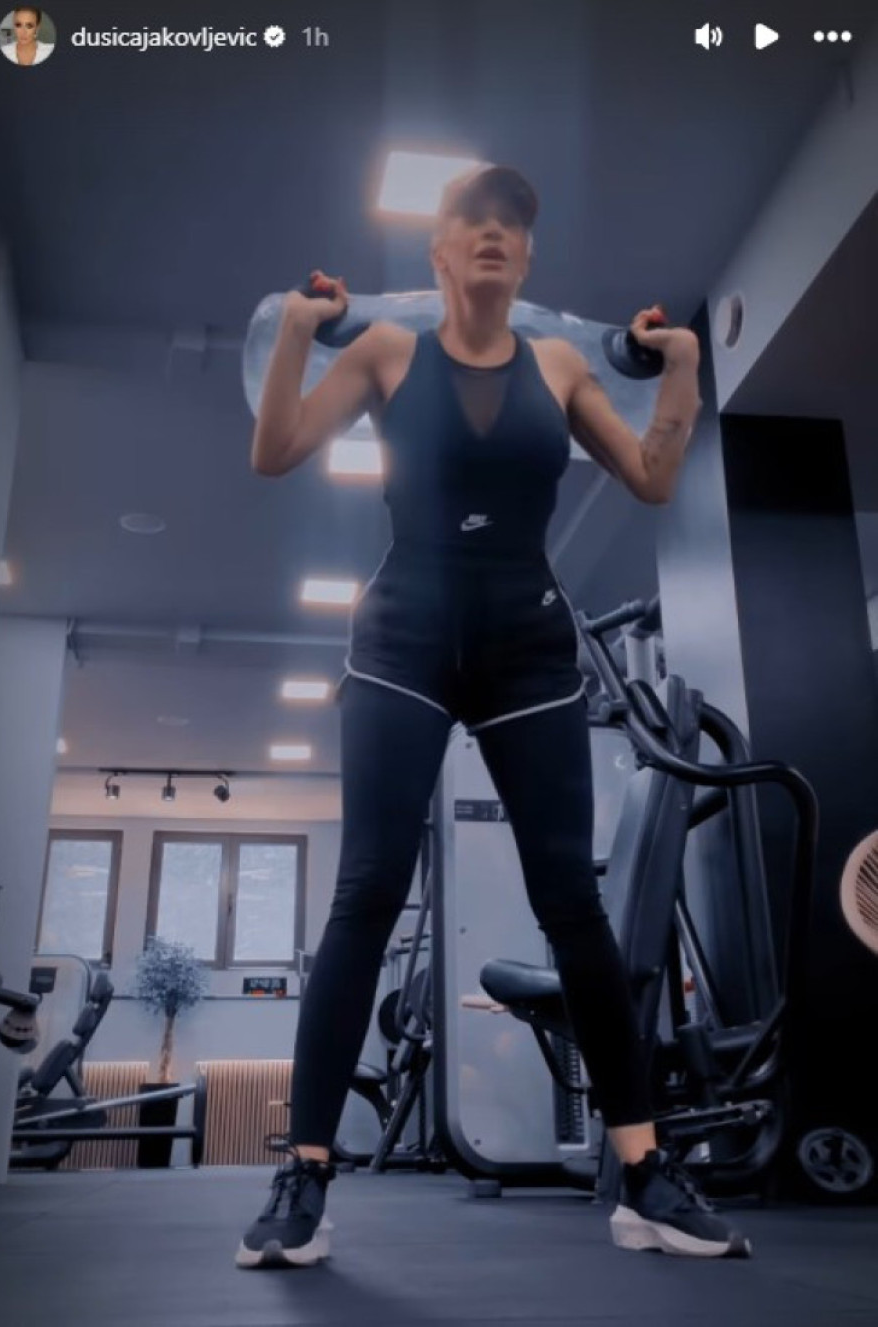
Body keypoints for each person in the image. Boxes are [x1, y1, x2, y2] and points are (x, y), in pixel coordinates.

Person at [239, 165, 752, 1269]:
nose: (492, 234)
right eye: (471, 220)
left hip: (528, 647)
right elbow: (273, 450)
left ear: (526, 258)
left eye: (511, 225)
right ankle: (306, 1175)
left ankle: (645, 1174)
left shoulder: (560, 365)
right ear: (438, 253)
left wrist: (683, 368)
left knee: (572, 901)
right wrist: (298, 333)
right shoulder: (387, 352)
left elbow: (653, 477)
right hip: (403, 643)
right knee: (367, 890)